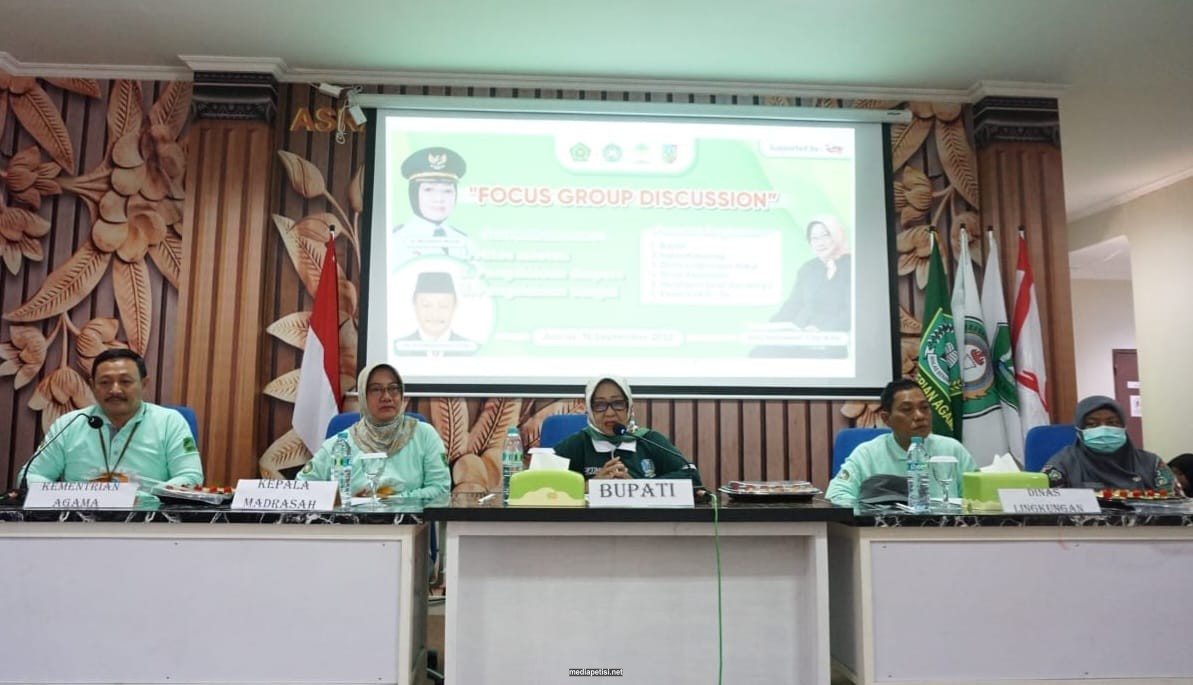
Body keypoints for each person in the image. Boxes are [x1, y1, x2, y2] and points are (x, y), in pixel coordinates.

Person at [21, 348, 203, 485]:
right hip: (79, 518)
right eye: (105, 382)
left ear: (144, 384)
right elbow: (30, 476)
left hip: (147, 518)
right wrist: (64, 497)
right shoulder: (69, 424)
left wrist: (146, 499)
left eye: (125, 381)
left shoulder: (170, 422)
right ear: (93, 386)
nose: (115, 390)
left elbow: (190, 477)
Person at [297, 362, 451, 499]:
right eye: (376, 389)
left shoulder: (424, 435)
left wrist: (390, 501)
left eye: (393, 388)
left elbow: (441, 489)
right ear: (363, 396)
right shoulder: (340, 443)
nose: (387, 397)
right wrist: (344, 501)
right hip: (353, 522)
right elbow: (303, 487)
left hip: (410, 522)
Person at [825, 378, 977, 506]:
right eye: (907, 409)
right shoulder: (867, 454)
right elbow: (837, 495)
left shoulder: (952, 449)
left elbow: (979, 498)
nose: (919, 416)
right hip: (884, 530)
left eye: (924, 407)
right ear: (886, 418)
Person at [552, 375, 705, 491]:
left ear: (629, 407)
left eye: (617, 403)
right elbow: (544, 484)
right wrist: (590, 486)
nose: (610, 413)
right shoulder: (579, 443)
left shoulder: (648, 440)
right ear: (590, 410)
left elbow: (691, 476)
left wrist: (636, 488)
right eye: (599, 405)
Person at [751, 216, 852, 358]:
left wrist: (822, 330)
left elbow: (852, 313)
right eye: (814, 238)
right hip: (801, 338)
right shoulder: (808, 268)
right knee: (759, 353)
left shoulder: (852, 266)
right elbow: (792, 305)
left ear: (836, 235)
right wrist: (770, 329)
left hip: (830, 342)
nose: (820, 243)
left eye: (825, 235)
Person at [1041, 396, 1181, 492]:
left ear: (1123, 427)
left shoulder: (1152, 464)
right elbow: (1046, 511)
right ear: (1079, 430)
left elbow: (1178, 509)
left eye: (1112, 422)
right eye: (1092, 424)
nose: (1104, 429)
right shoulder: (1061, 465)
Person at [391, 147, 472, 261]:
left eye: (447, 191)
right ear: (413, 194)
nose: (439, 199)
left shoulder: (466, 242)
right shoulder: (394, 240)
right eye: (429, 190)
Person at [395, 271, 477, 356]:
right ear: (415, 306)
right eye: (426, 305)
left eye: (443, 306)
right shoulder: (396, 349)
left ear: (455, 307)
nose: (435, 314)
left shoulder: (473, 351)